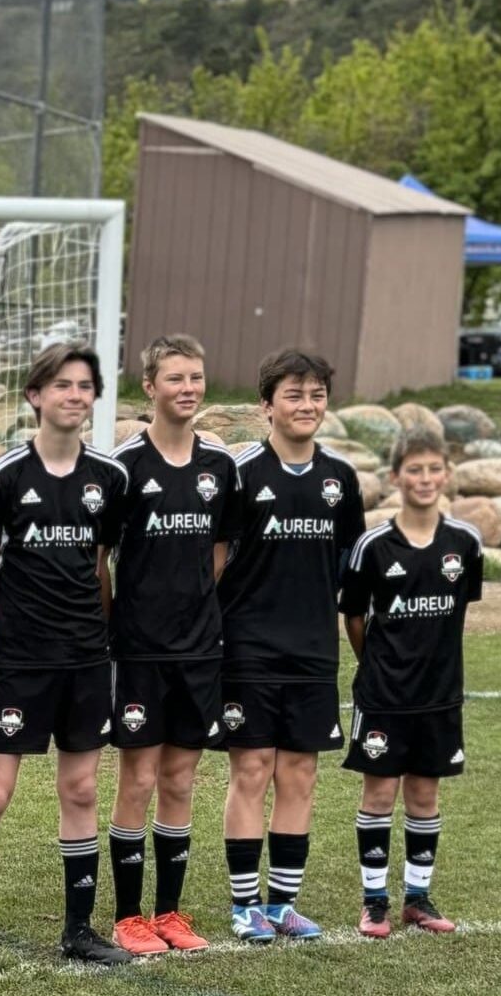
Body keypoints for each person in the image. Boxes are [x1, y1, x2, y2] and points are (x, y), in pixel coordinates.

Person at [0, 342, 132, 971]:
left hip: (86, 659)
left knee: (81, 788)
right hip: (22, 661)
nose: (74, 395)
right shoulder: (4, 477)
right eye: (61, 385)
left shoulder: (109, 479)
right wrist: (12, 635)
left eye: (84, 386)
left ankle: (80, 930)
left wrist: (97, 635)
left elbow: (101, 565)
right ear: (35, 396)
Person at [217, 348, 366, 942]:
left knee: (300, 774)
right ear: (267, 405)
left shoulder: (340, 478)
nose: (307, 406)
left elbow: (353, 570)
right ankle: (244, 904)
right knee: (251, 770)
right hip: (247, 648)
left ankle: (283, 904)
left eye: (316, 395)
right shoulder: (241, 473)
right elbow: (217, 563)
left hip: (313, 651)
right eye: (294, 395)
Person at [104, 335, 242, 955]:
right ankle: (129, 915)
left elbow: (218, 552)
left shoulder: (220, 467)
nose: (188, 388)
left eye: (196, 376)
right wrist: (128, 620)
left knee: (181, 779)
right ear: (149, 388)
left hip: (198, 648)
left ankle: (170, 911)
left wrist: (189, 607)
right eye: (176, 378)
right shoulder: (125, 467)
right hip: (138, 649)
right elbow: (100, 559)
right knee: (137, 777)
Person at [340, 430, 481, 937]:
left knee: (425, 795)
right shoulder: (372, 546)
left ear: (446, 474)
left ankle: (417, 898)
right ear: (396, 476)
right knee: (379, 793)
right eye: (414, 470)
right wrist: (377, 664)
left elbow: (458, 612)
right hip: (384, 695)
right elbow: (353, 616)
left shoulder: (465, 543)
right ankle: (374, 901)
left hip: (440, 695)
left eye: (433, 469)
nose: (425, 479)